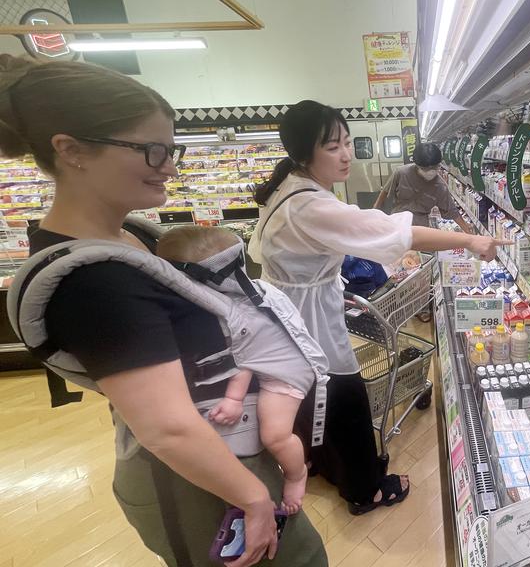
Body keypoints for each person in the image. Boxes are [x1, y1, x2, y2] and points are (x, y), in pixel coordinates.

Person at [0, 55, 327, 566]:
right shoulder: (95, 281)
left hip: (218, 460)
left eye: (170, 150)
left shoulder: (127, 239)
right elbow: (167, 427)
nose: (170, 167)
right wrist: (254, 497)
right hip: (196, 484)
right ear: (71, 150)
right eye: (152, 151)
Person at [248, 100, 510, 515]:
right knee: (346, 400)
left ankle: (320, 463)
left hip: (290, 310)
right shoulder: (311, 205)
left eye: (347, 143)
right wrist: (472, 242)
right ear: (303, 153)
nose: (346, 154)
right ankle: (363, 489)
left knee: (314, 396)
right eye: (332, 146)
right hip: (307, 316)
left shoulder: (290, 187)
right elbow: (396, 233)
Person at [157, 225, 331, 515]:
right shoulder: (260, 288)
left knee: (275, 436)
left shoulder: (231, 315)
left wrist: (234, 399)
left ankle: (297, 473)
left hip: (285, 376)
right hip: (289, 357)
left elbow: (244, 359)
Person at [372, 142, 473, 233]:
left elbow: (452, 212)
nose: (430, 171)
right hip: (397, 222)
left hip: (420, 228)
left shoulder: (440, 187)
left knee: (418, 253)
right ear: (416, 164)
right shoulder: (401, 173)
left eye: (434, 167)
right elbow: (384, 192)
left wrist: (468, 234)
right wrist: (373, 214)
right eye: (425, 168)